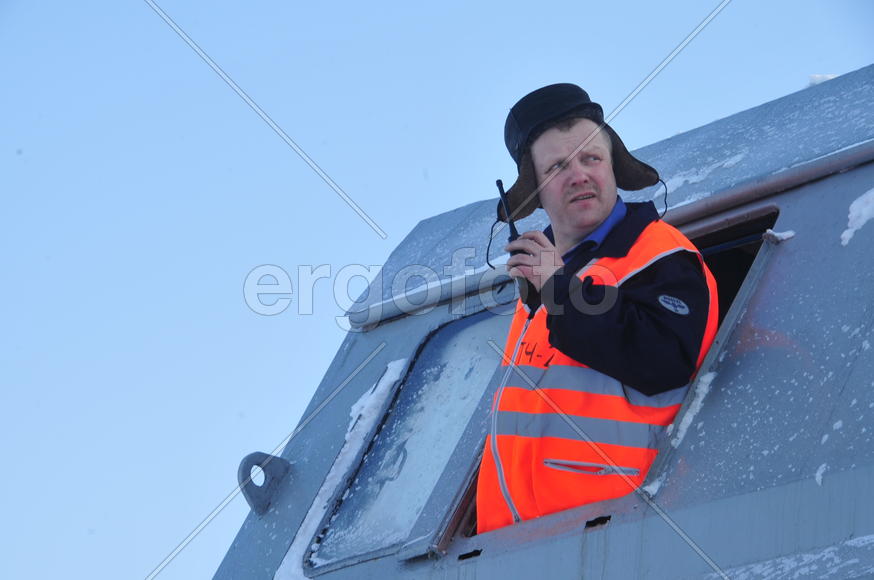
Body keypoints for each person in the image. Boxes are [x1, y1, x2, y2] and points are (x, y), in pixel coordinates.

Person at [476, 83, 720, 534]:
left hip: (618, 535)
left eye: (591, 158)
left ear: (612, 167)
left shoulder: (662, 256)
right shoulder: (539, 288)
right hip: (514, 547)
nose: (579, 176)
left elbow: (663, 361)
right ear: (536, 191)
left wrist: (559, 290)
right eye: (557, 167)